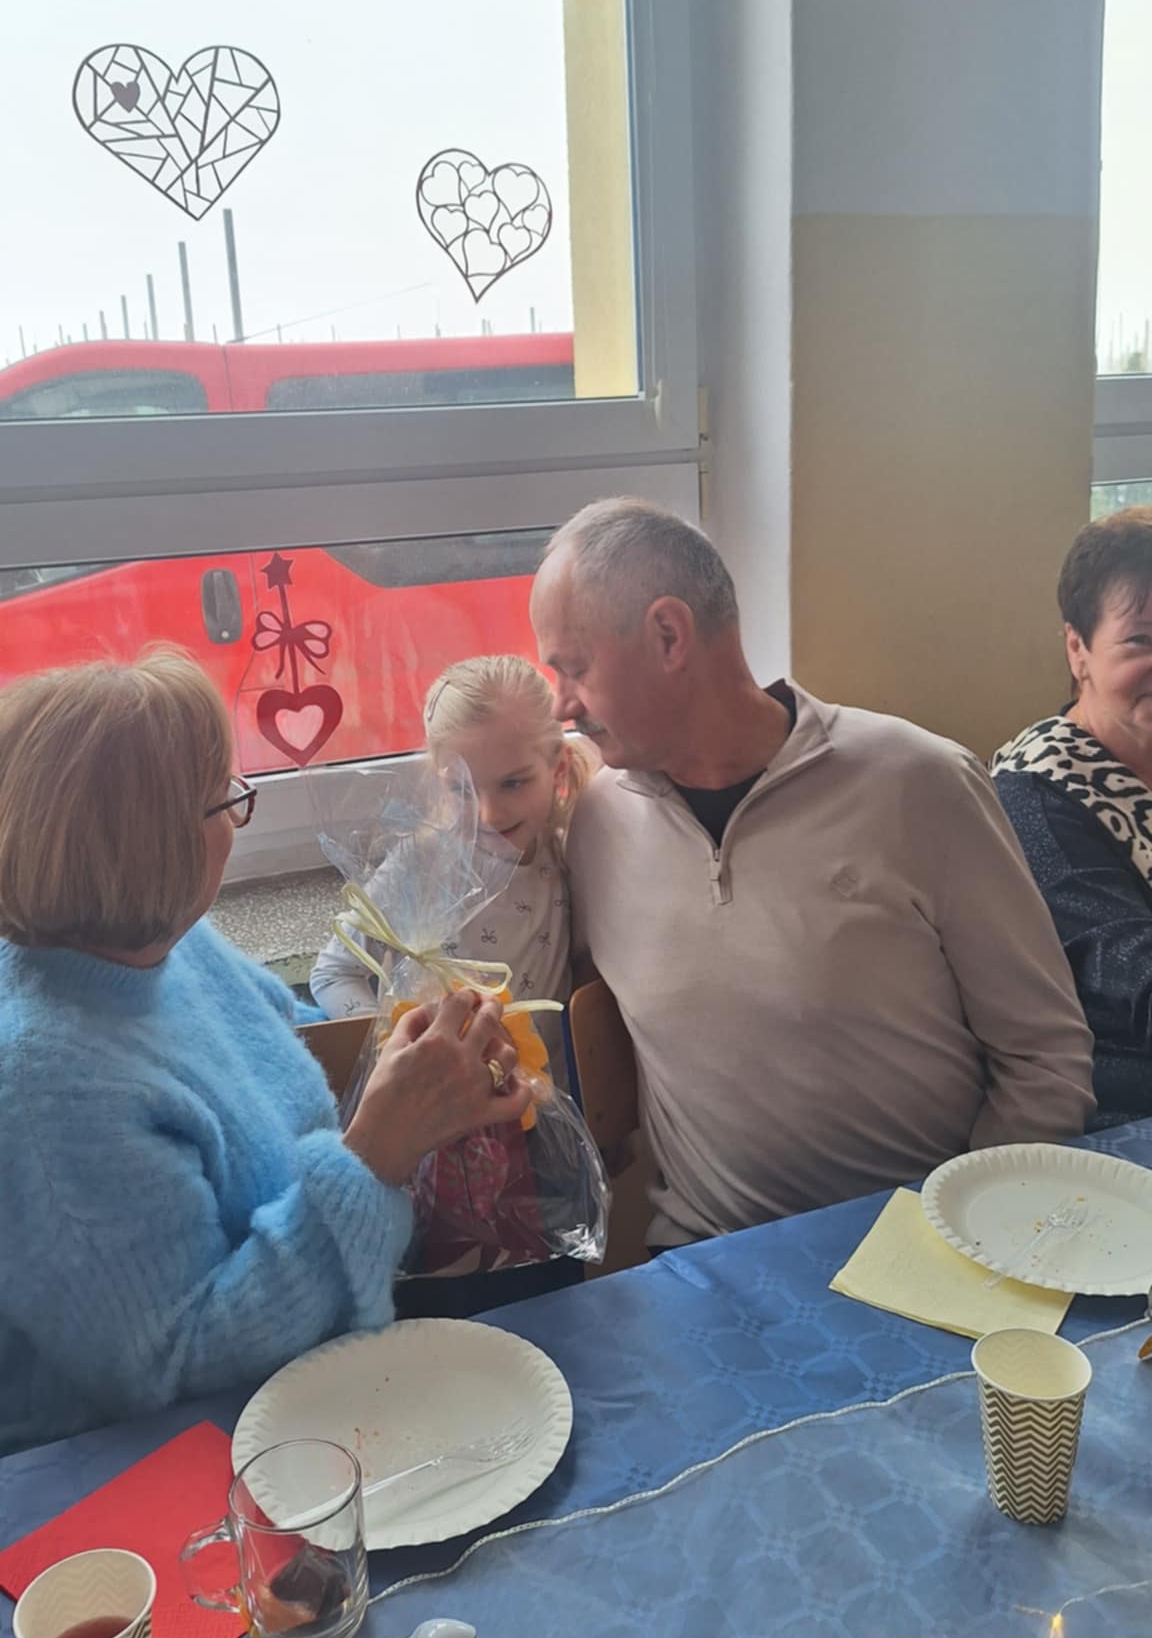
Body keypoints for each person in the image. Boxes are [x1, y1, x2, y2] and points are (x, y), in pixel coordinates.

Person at [530, 498, 1095, 1250]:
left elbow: (1045, 1059)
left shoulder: (920, 784)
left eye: (574, 668)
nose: (562, 705)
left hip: (929, 1249)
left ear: (669, 635)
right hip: (703, 1261)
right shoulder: (596, 823)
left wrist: (962, 1241)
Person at [0, 653, 530, 1454]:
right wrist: (376, 1156)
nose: (236, 817)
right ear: (152, 847)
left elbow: (281, 1050)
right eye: (227, 798)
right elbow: (180, 1365)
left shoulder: (166, 945)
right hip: (152, 1467)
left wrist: (410, 1055)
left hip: (309, 1396)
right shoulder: (47, 1091)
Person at [312, 654, 597, 1053]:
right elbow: (332, 973)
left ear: (559, 768)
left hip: (543, 1086)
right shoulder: (419, 863)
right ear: (439, 780)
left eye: (513, 783)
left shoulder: (567, 852)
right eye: (462, 789)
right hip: (438, 1084)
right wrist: (394, 1045)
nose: (489, 815)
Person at [992, 508, 1152, 1125]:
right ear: (1077, 648)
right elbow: (1132, 973)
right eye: (1142, 640)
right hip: (1115, 1120)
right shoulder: (1036, 796)